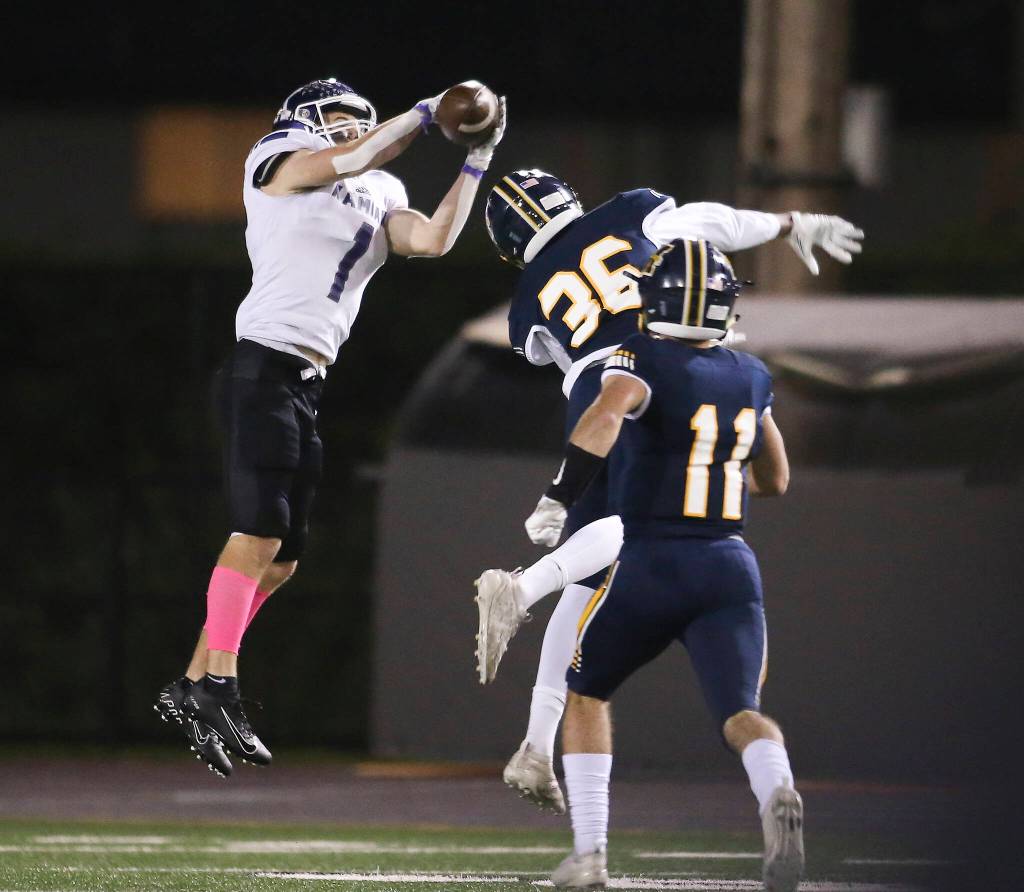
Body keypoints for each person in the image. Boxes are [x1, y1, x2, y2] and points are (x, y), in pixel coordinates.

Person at [474, 170, 861, 813]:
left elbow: (549, 352)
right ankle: (522, 589)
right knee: (649, 516)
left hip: (590, 394)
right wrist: (788, 224)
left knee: (590, 579)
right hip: (657, 369)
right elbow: (716, 222)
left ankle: (536, 747)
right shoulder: (630, 212)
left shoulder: (527, 295)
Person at [154, 77, 506, 777]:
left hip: (306, 382)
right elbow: (346, 160)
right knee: (255, 531)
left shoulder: (381, 189)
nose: (349, 131)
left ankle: (194, 682)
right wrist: (426, 115)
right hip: (260, 365)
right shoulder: (279, 155)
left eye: (357, 121)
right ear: (307, 120)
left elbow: (432, 239)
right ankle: (218, 682)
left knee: (281, 560)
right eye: (338, 119)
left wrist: (476, 158)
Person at [532, 238, 800, 890]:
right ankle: (778, 793)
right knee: (740, 712)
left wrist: (559, 495)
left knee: (586, 692)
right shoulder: (753, 374)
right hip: (730, 565)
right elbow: (775, 479)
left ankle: (589, 855)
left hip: (651, 558)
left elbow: (606, 411)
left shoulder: (641, 356)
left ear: (655, 297)